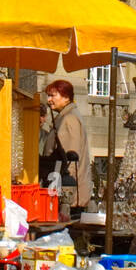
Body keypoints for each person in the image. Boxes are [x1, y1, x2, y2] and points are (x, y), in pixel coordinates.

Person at [41, 79, 92, 221]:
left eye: (53, 96)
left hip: (69, 196)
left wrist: (65, 196)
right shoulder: (65, 116)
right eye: (48, 96)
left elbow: (69, 160)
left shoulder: (69, 119)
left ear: (66, 97)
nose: (49, 100)